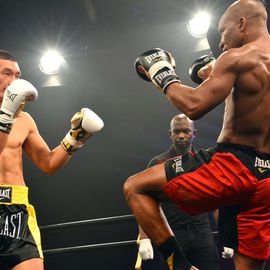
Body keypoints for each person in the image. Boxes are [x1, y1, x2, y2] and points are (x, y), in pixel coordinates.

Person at [124, 1, 270, 270]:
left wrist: (162, 73)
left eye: (223, 31)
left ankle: (179, 264)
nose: (222, 42)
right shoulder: (245, 61)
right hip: (267, 180)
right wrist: (213, 70)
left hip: (234, 166)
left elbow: (194, 106)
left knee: (135, 186)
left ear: (242, 24)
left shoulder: (237, 58)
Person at [0, 50, 104, 270]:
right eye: (6, 73)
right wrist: (6, 115)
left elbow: (47, 164)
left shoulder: (25, 120)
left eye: (17, 76)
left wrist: (75, 138)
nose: (14, 81)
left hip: (16, 211)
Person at [137, 114, 220, 270]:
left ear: (194, 133)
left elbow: (216, 203)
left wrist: (227, 236)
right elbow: (145, 202)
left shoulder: (204, 161)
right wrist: (144, 238)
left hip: (201, 233)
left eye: (186, 131)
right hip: (171, 235)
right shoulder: (158, 163)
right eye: (177, 132)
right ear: (170, 134)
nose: (181, 136)